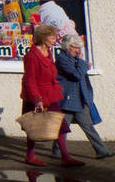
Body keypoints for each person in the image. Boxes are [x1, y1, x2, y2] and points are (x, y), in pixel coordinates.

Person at [21, 22, 83, 167]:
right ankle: (30, 156)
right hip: (37, 97)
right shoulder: (32, 56)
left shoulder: (48, 52)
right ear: (43, 37)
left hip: (51, 94)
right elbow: (30, 81)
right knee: (33, 126)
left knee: (59, 124)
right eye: (52, 36)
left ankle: (65, 157)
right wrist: (37, 99)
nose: (55, 39)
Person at [52, 34, 115, 159]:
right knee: (63, 128)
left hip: (79, 99)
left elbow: (79, 73)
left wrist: (82, 64)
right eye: (75, 47)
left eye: (79, 47)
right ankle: (56, 152)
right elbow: (76, 75)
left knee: (88, 126)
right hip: (68, 100)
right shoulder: (62, 59)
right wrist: (83, 63)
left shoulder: (74, 59)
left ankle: (101, 151)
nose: (78, 50)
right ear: (67, 47)